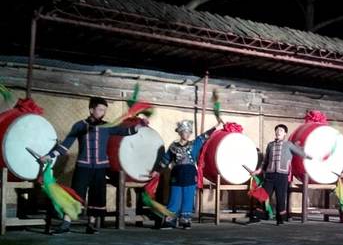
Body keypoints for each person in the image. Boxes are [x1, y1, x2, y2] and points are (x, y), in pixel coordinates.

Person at [40, 96, 147, 234]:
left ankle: (91, 224)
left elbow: (125, 131)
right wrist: (49, 156)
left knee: (97, 196)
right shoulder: (79, 125)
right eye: (100, 109)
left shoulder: (107, 126)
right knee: (75, 194)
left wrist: (139, 125)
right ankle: (66, 224)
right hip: (83, 167)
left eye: (104, 110)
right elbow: (66, 145)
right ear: (91, 110)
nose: (103, 113)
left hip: (100, 168)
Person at [156, 119, 218, 229]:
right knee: (174, 197)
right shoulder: (173, 147)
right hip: (176, 174)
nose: (187, 134)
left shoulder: (195, 144)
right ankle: (170, 220)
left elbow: (204, 136)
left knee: (188, 197)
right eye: (185, 131)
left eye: (189, 132)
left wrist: (216, 126)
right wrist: (156, 171)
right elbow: (165, 159)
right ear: (180, 132)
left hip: (190, 174)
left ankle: (185, 220)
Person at [253, 124, 312, 225]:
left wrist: (312, 156)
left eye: (280, 130)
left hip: (282, 176)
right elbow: (265, 161)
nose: (278, 132)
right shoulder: (270, 145)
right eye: (277, 130)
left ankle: (280, 219)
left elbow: (301, 153)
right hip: (270, 175)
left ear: (285, 133)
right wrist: (259, 171)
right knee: (262, 195)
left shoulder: (289, 145)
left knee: (280, 198)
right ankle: (259, 215)